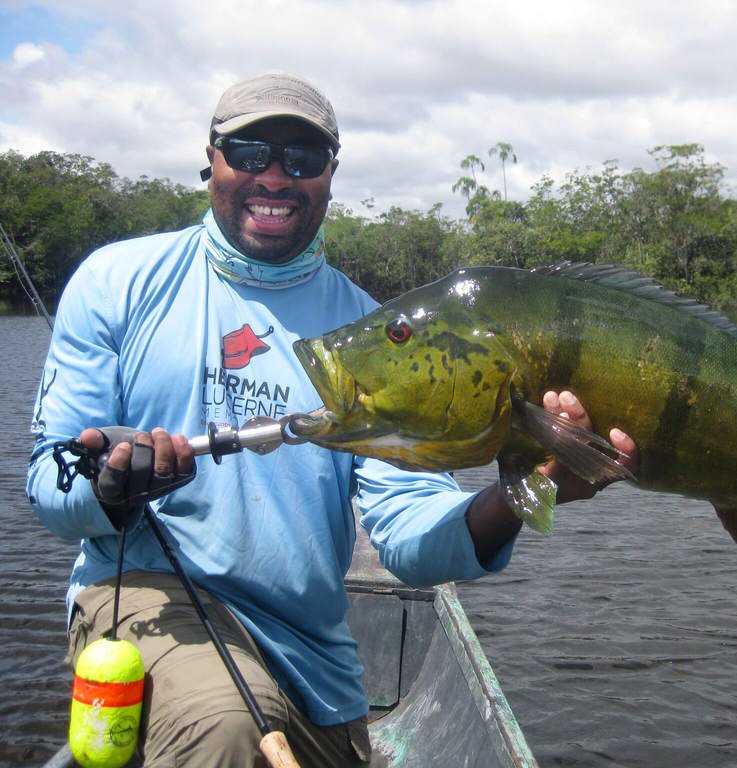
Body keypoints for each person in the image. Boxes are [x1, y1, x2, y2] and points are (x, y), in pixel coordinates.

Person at [26, 71, 637, 767]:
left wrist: (526, 493)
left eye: (304, 159)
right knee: (222, 732)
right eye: (251, 153)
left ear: (329, 175)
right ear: (211, 160)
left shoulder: (374, 335)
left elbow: (409, 536)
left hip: (313, 656)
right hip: (150, 599)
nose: (276, 176)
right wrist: (107, 489)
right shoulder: (117, 283)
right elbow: (49, 485)